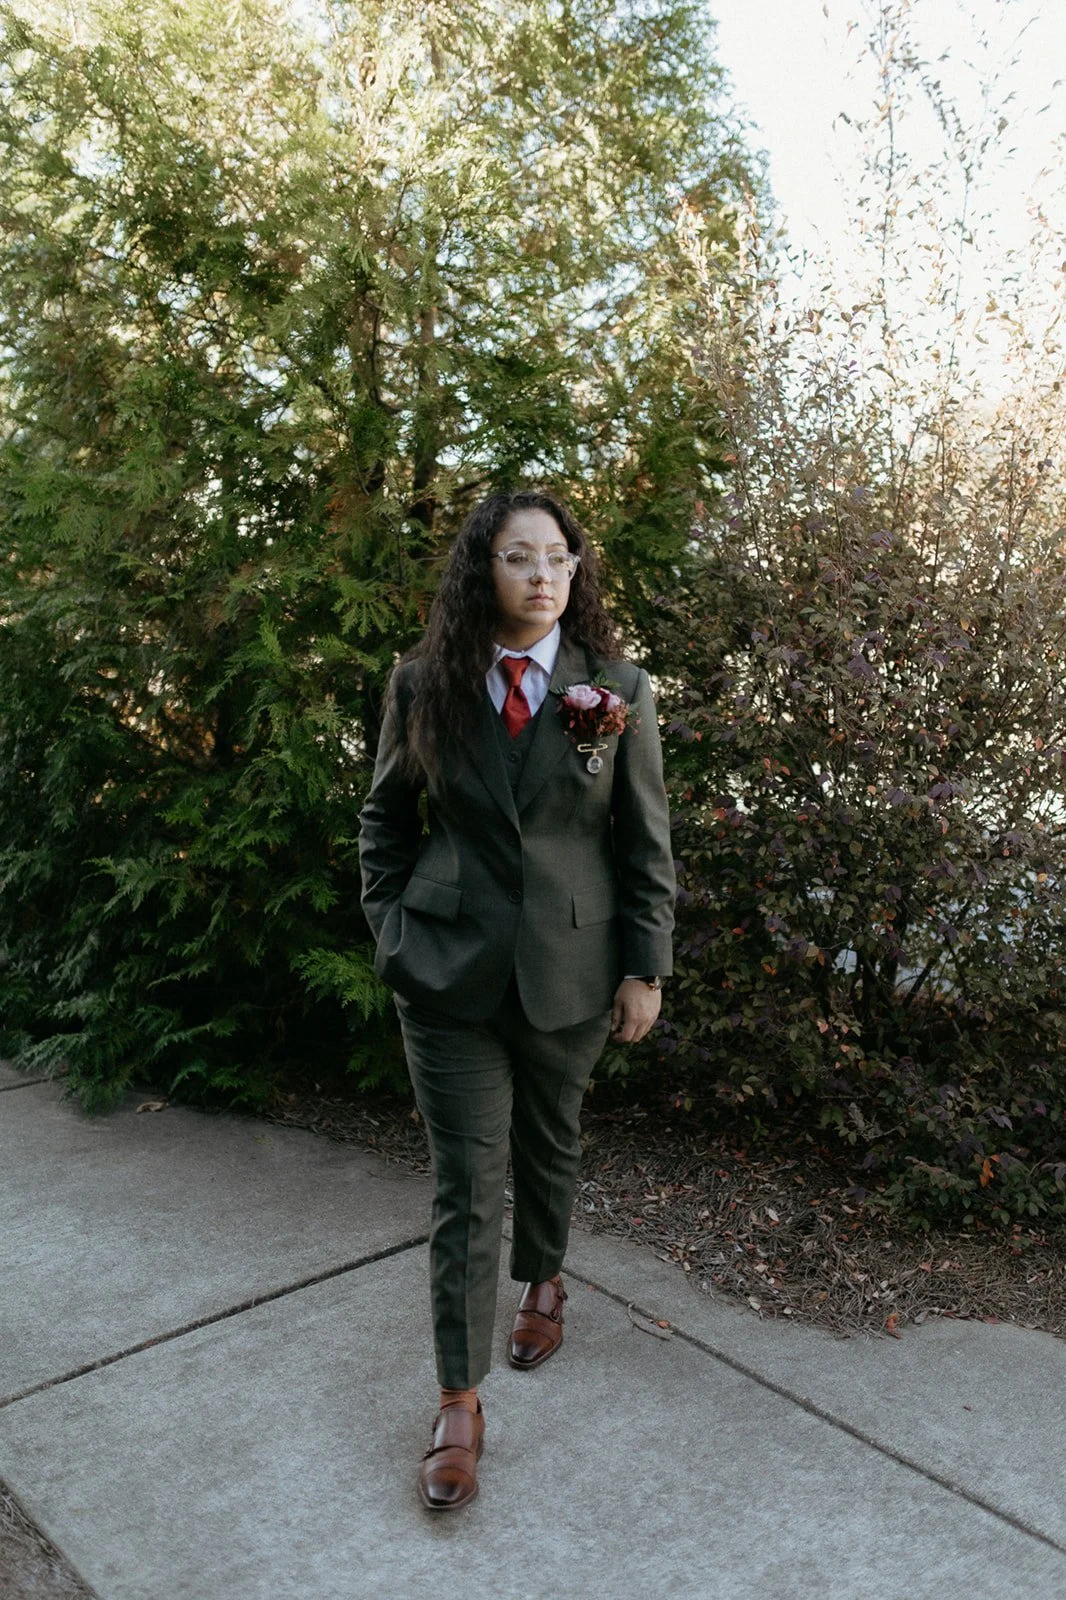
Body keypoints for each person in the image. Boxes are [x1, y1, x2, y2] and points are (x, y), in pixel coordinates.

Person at [358, 488, 675, 1511]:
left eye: (558, 558)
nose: (542, 575)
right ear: (480, 570)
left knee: (550, 1139)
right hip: (444, 973)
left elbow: (642, 843)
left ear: (575, 574)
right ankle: (458, 1398)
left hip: (573, 970)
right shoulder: (421, 684)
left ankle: (544, 1278)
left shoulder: (616, 689)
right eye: (517, 557)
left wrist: (645, 967)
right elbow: (384, 827)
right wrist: (395, 935)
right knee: (464, 1177)